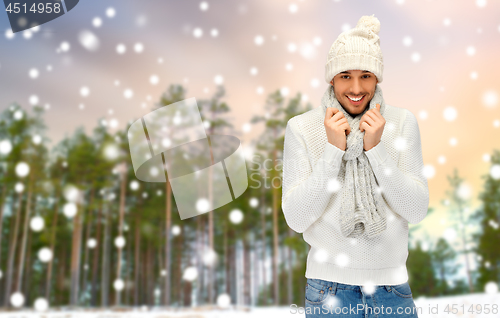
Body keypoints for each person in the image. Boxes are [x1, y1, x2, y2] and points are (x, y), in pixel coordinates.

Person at [281, 14, 429, 317]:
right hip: (329, 290)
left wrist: (375, 150)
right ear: (331, 79)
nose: (357, 87)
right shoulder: (302, 127)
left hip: (392, 291)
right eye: (345, 76)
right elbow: (296, 218)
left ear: (377, 78)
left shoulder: (402, 123)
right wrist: (333, 150)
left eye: (366, 75)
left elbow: (415, 210)